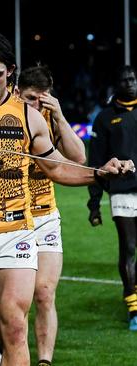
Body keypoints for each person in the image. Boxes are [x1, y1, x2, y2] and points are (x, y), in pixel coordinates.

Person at [0, 31, 132, 366]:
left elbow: (57, 168)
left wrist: (99, 173)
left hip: (17, 234)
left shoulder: (28, 116)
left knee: (14, 326)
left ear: (10, 71)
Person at [15, 65, 86, 366]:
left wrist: (58, 114)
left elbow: (79, 158)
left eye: (40, 100)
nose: (34, 105)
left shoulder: (48, 119)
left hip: (44, 214)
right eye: (30, 98)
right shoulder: (6, 118)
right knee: (8, 302)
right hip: (10, 218)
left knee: (44, 293)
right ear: (17, 92)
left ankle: (44, 361)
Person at [87, 65, 137, 331]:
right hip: (121, 192)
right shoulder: (105, 118)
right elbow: (95, 163)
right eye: (124, 79)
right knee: (128, 246)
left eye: (132, 78)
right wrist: (94, 203)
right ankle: (133, 306)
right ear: (115, 85)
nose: (129, 83)